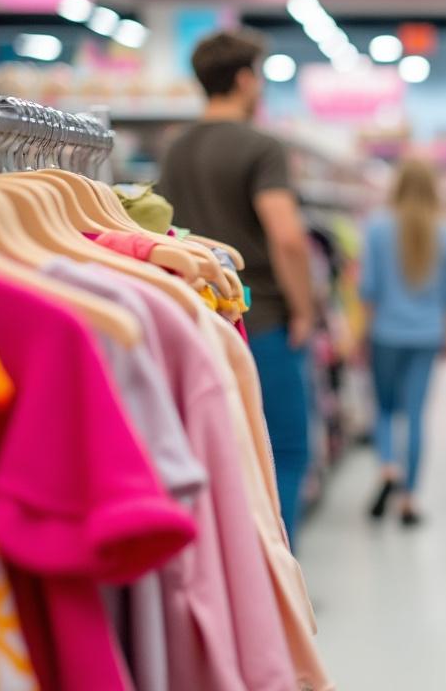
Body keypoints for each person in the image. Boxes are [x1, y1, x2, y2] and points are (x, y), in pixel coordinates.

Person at [158, 29, 315, 545]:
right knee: (283, 448)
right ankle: (278, 568)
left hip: (189, 317)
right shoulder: (262, 146)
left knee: (213, 452)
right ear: (245, 79)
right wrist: (304, 310)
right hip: (259, 317)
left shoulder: (174, 149)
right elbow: (288, 237)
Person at [358, 159, 446, 527]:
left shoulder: (377, 228)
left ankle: (387, 466)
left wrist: (362, 334)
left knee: (385, 409)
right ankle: (409, 500)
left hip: (386, 331)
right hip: (426, 333)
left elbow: (368, 288)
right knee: (416, 415)